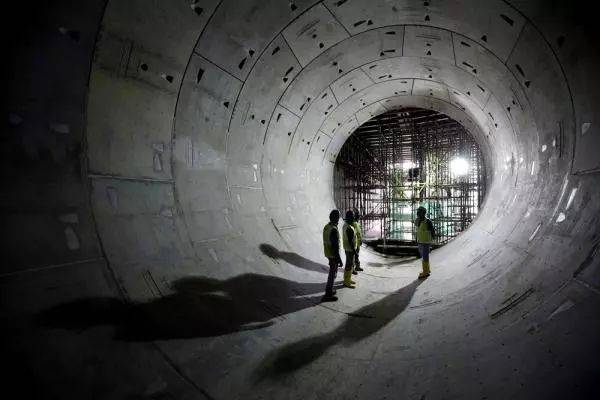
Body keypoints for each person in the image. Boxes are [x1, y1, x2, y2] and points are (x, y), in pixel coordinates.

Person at [322, 210, 343, 301]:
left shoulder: (327, 226)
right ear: (335, 218)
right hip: (333, 255)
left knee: (332, 273)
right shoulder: (333, 230)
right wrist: (339, 259)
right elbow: (335, 247)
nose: (339, 218)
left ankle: (329, 290)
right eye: (338, 217)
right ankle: (328, 294)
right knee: (332, 274)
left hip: (328, 253)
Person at [414, 206, 434, 279]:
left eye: (420, 212)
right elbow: (417, 229)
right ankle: (427, 270)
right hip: (420, 241)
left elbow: (432, 231)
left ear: (424, 213)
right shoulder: (418, 220)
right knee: (423, 256)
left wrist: (432, 240)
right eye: (418, 212)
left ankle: (425, 272)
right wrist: (416, 239)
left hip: (425, 242)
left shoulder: (428, 221)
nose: (418, 214)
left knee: (425, 256)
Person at [342, 210, 358, 288]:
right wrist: (355, 252)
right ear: (349, 218)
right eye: (352, 217)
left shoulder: (346, 225)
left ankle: (348, 279)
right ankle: (346, 282)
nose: (353, 218)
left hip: (347, 248)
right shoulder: (349, 228)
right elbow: (350, 242)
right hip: (350, 249)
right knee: (349, 265)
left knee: (349, 264)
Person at [352, 207, 364, 273]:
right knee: (354, 256)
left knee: (357, 255)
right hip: (355, 243)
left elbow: (359, 233)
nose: (359, 217)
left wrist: (361, 240)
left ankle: (357, 266)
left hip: (358, 243)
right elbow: (354, 234)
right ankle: (352, 269)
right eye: (357, 216)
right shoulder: (354, 224)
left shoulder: (357, 223)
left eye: (358, 216)